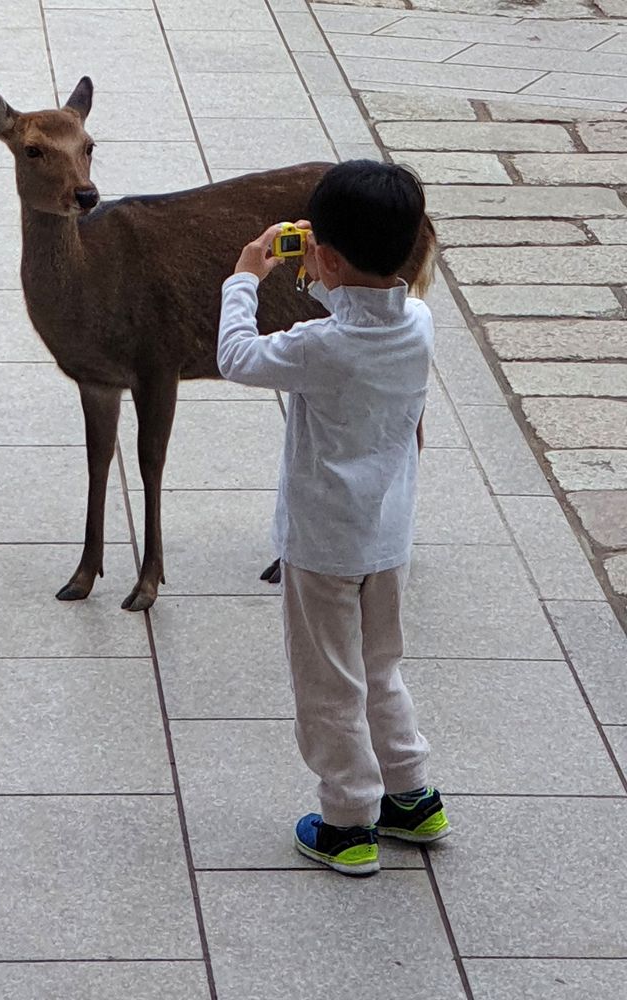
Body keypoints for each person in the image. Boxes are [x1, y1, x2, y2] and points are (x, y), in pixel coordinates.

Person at [217, 160, 449, 877]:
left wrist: (244, 279)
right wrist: (322, 275)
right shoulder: (418, 322)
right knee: (381, 667)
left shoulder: (319, 347)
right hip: (388, 537)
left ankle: (347, 819)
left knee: (328, 683)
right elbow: (364, 315)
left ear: (330, 255)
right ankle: (411, 795)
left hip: (321, 546)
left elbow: (236, 356)